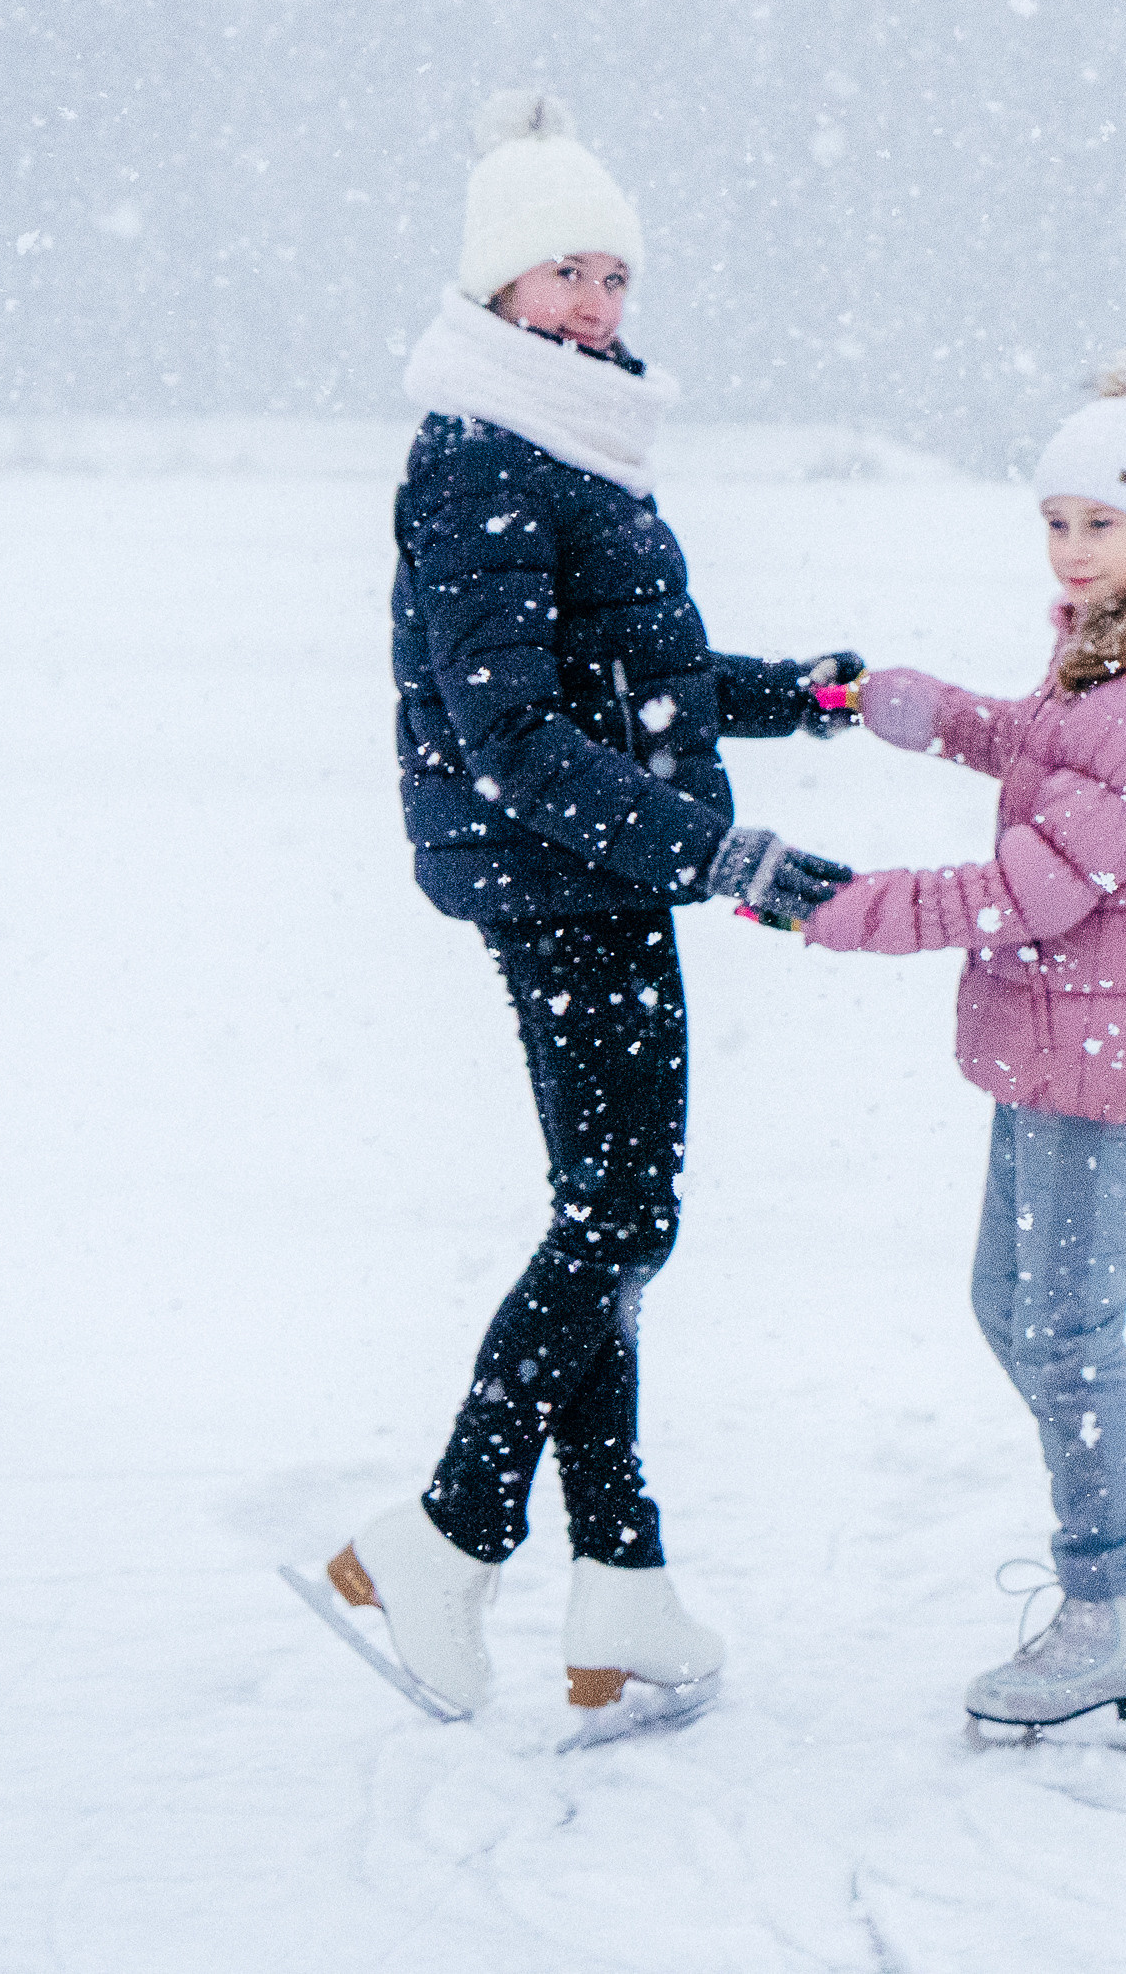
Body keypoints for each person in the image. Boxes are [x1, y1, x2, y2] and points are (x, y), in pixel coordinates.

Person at [327, 91, 859, 1732]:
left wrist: (792, 696)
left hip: (594, 867)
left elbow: (631, 678)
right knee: (622, 1223)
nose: (595, 304)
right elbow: (516, 736)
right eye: (565, 273)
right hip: (564, 876)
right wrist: (717, 855)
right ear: (496, 283)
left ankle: (621, 1580)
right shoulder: (488, 449)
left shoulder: (565, 441)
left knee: (605, 1216)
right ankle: (447, 1534)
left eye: (616, 277)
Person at [800, 342, 1126, 1731]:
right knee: (1014, 1310)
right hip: (1061, 1028)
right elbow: (1037, 750)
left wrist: (832, 905)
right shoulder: (1108, 656)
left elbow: (1032, 890)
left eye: (1102, 521)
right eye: (1056, 519)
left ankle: (1110, 1611)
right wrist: (911, 708)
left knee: (1070, 1330)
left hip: (1108, 1042)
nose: (1073, 547)